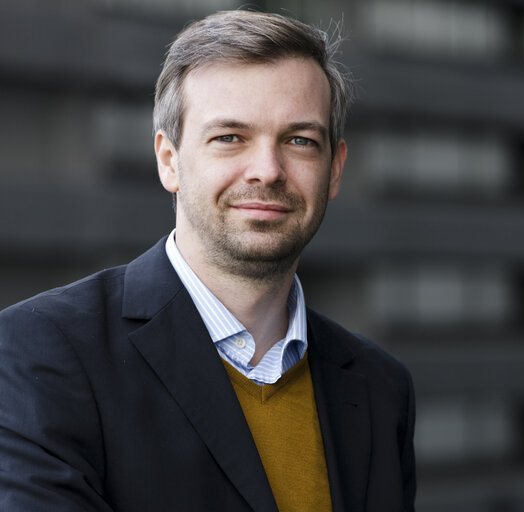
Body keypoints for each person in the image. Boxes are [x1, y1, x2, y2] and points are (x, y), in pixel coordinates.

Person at [0, 10, 415, 512]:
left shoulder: (380, 387)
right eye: (230, 138)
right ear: (169, 160)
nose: (267, 170)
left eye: (299, 140)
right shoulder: (40, 352)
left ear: (334, 170)